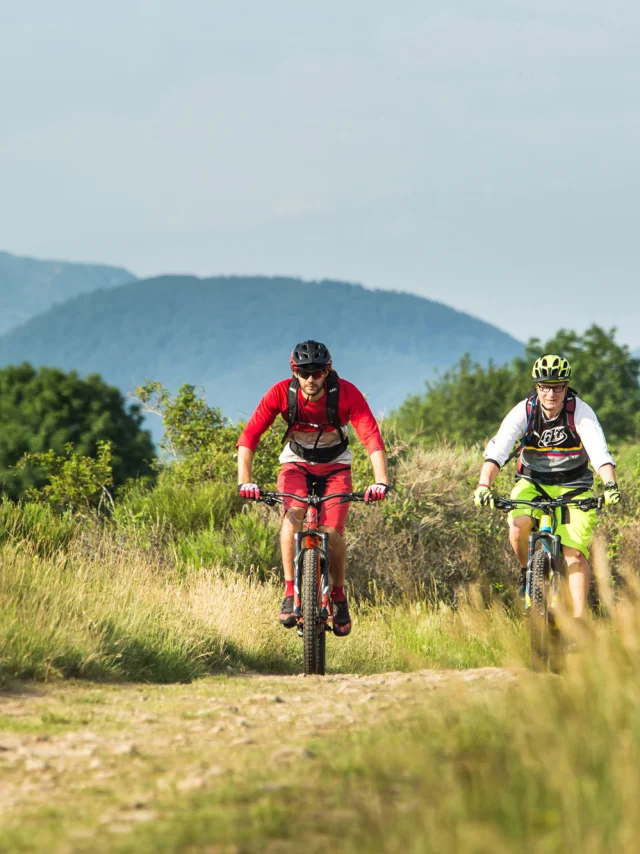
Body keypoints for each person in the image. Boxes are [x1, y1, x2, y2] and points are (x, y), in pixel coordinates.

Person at [236, 340, 389, 636]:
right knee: (292, 518)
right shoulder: (281, 393)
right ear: (294, 372)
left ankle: (339, 597)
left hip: (336, 466)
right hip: (296, 464)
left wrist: (380, 481)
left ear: (327, 371)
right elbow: (249, 436)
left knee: (331, 533)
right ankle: (290, 591)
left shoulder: (346, 393)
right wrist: (245, 481)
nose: (310, 379)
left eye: (317, 372)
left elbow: (371, 436)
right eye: (303, 372)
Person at [473, 354, 621, 619]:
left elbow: (600, 453)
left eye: (557, 387)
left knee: (574, 552)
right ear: (536, 387)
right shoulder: (525, 410)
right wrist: (484, 485)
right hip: (533, 483)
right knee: (517, 527)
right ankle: (526, 573)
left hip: (574, 487)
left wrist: (610, 485)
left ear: (566, 386)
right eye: (544, 387)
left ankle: (578, 620)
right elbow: (498, 450)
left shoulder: (580, 411)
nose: (551, 393)